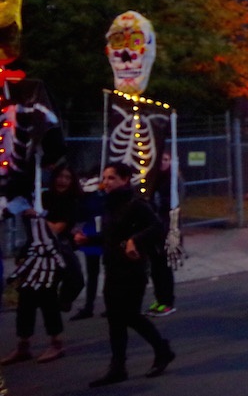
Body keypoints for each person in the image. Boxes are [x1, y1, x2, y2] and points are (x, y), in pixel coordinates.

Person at [75, 162, 174, 387]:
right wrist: (88, 240)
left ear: (124, 180)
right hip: (112, 268)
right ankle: (118, 367)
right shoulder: (109, 204)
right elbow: (111, 237)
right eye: (105, 178)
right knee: (115, 319)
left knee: (129, 315)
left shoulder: (136, 204)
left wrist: (134, 240)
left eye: (111, 178)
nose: (106, 182)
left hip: (133, 270)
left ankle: (162, 350)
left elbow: (158, 227)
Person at [1, 164, 82, 365]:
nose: (62, 181)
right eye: (60, 176)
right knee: (26, 299)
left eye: (67, 177)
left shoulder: (70, 202)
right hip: (34, 253)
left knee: (48, 299)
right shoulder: (43, 197)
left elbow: (56, 229)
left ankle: (56, 343)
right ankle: (23, 345)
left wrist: (37, 215)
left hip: (53, 256)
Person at [145, 150, 177, 317]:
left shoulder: (173, 181)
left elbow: (173, 206)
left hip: (167, 229)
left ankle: (168, 301)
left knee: (165, 267)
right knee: (155, 268)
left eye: (166, 159)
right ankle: (159, 299)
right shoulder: (152, 181)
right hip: (154, 230)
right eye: (161, 160)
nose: (163, 162)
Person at [70, 176, 106, 321]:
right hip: (91, 233)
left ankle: (106, 304)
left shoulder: (105, 195)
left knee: (105, 271)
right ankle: (89, 305)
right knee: (92, 272)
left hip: (103, 233)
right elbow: (81, 213)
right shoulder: (86, 197)